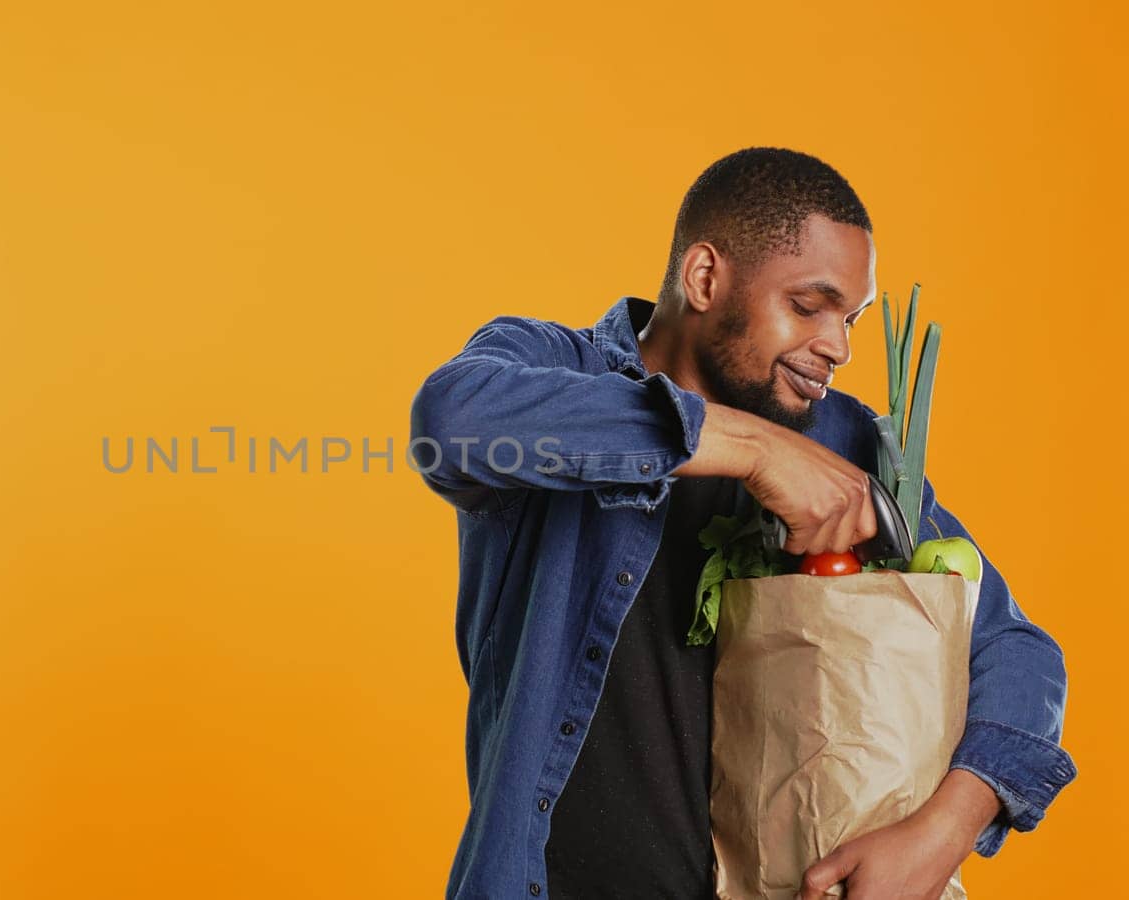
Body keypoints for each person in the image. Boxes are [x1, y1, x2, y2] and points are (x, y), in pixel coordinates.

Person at [409, 147, 1076, 900]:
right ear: (703, 278)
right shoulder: (552, 372)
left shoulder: (846, 448)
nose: (840, 347)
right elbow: (452, 420)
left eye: (851, 319)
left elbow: (1019, 653)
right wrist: (753, 450)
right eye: (808, 306)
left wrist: (943, 832)